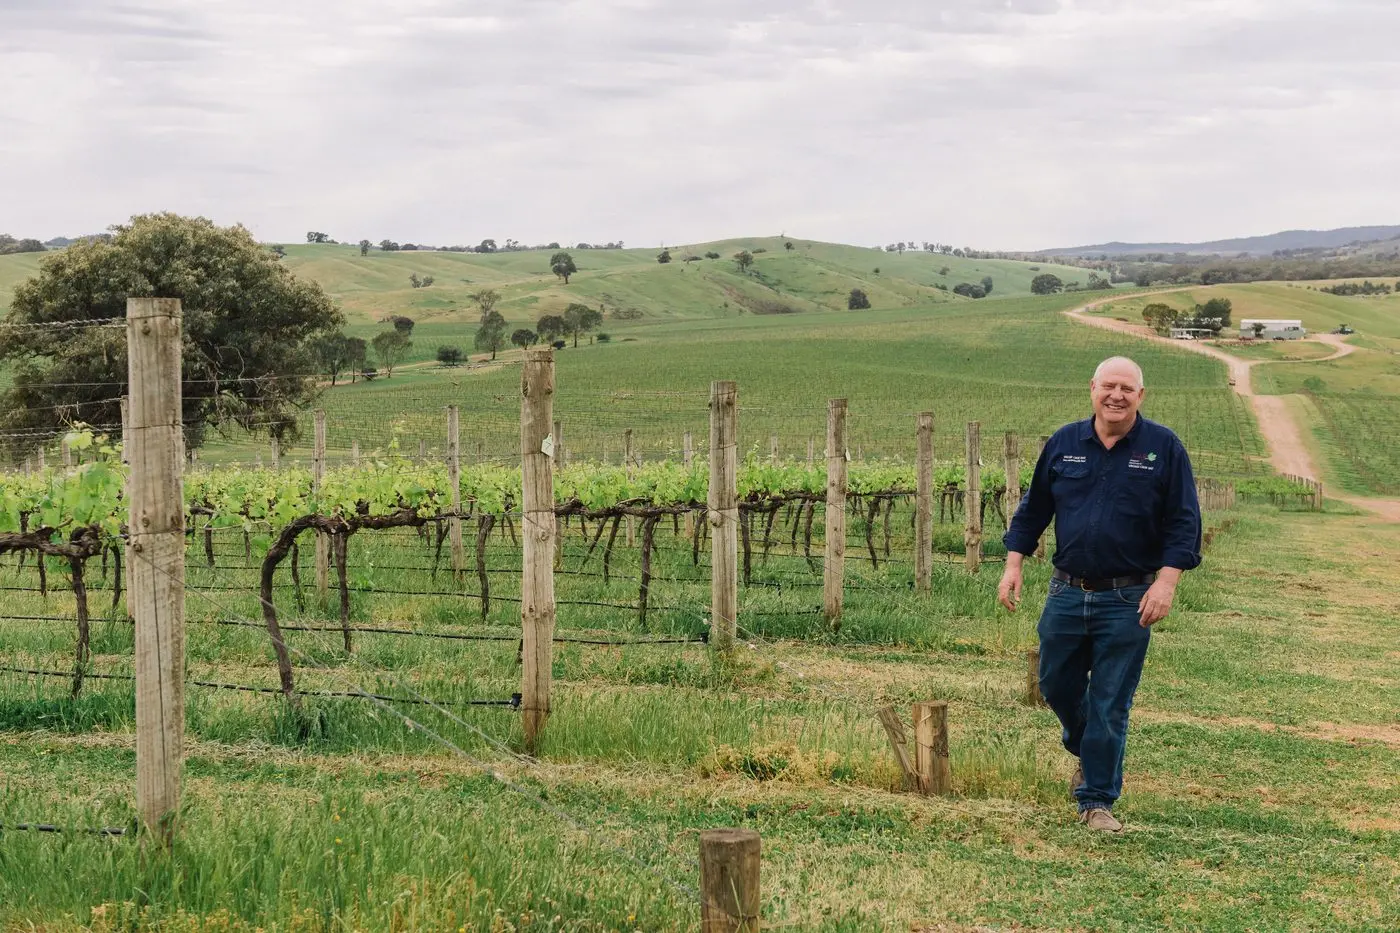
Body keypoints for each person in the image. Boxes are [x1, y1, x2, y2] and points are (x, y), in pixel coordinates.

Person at [998, 356, 1201, 833]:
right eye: (1109, 386)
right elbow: (1034, 510)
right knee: (1054, 685)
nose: (1117, 395)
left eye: (1127, 388)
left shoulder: (1163, 447)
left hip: (1130, 598)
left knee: (1110, 699)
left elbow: (1184, 521)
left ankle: (1096, 801)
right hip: (1066, 592)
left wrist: (1167, 582)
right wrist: (1013, 565)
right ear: (1092, 388)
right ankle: (1088, 746)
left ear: (1141, 395)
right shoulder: (1064, 443)